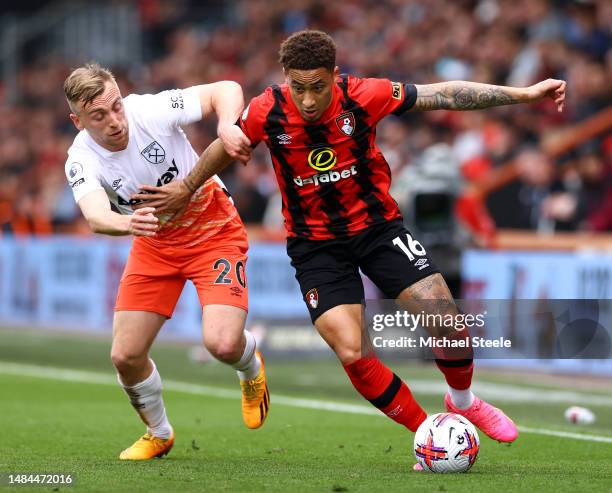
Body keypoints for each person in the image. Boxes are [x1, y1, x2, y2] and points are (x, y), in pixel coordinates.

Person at [131, 30, 566, 467]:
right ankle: (429, 434)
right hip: (315, 248)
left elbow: (444, 94)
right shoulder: (267, 109)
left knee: (447, 321)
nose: (307, 99)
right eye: (298, 87)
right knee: (352, 350)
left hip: (378, 229)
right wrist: (187, 188)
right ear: (285, 78)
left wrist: (525, 94)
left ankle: (464, 401)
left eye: (318, 86)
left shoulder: (364, 95)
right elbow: (224, 146)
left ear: (334, 77)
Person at [63, 63, 270, 460]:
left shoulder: (150, 110)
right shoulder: (80, 158)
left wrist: (227, 124)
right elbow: (95, 215)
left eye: (116, 106)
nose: (114, 122)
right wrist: (128, 222)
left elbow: (223, 88)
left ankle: (250, 367)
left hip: (213, 229)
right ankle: (158, 433)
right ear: (78, 121)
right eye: (98, 116)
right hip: (153, 242)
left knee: (223, 344)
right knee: (125, 355)